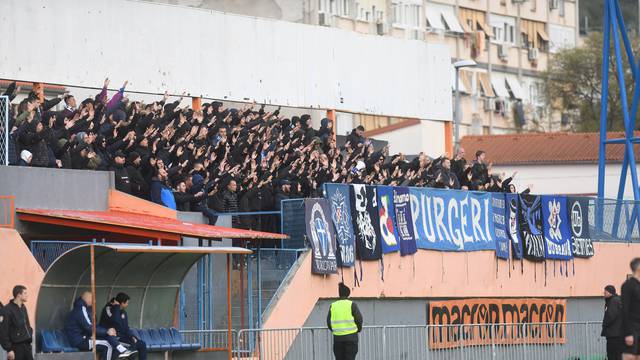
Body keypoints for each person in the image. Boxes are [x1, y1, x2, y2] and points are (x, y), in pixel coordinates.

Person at [65, 291, 135, 359]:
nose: (94, 302)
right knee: (108, 345)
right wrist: (106, 331)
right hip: (81, 340)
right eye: (93, 300)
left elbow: (92, 325)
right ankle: (121, 349)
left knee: (109, 338)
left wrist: (107, 331)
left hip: (86, 337)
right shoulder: (81, 309)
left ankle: (121, 349)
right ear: (88, 299)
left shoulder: (85, 309)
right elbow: (88, 327)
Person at [100, 293, 147, 360]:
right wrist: (116, 306)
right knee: (132, 346)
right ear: (122, 303)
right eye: (127, 303)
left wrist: (132, 336)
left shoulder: (123, 312)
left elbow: (126, 327)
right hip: (114, 338)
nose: (127, 304)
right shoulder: (108, 309)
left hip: (123, 337)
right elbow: (115, 320)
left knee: (141, 344)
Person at [327, 283, 363, 360]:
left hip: (338, 338)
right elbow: (359, 319)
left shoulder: (333, 305)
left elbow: (328, 322)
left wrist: (335, 330)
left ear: (339, 294)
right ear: (348, 294)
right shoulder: (351, 304)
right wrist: (358, 329)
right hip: (351, 338)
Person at [0, 286, 33, 360]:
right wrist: (9, 349)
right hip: (15, 348)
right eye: (25, 293)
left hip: (27, 346)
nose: (27, 295)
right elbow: (3, 332)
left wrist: (30, 333)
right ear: (19, 295)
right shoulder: (6, 310)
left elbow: (27, 324)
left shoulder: (23, 308)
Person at [622, 258, 640, 360]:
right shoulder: (628, 286)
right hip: (632, 329)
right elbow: (625, 310)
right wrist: (628, 333)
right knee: (630, 357)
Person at [603, 285, 624, 360]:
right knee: (617, 355)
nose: (604, 294)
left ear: (610, 293)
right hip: (617, 334)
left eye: (605, 292)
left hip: (614, 335)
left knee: (613, 355)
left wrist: (604, 324)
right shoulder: (616, 300)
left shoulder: (613, 301)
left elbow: (610, 316)